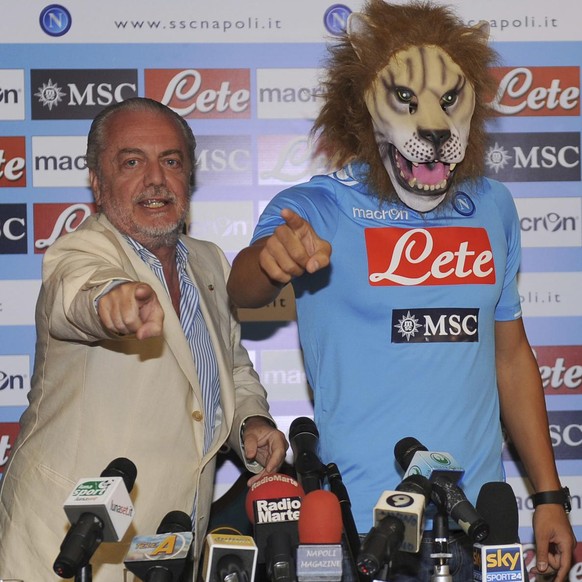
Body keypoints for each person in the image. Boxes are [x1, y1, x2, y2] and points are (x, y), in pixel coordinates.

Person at [226, 1, 576, 580]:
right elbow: (242, 290)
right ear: (361, 106)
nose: (433, 126)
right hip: (360, 527)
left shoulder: (493, 205)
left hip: (479, 526)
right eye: (406, 100)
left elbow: (510, 355)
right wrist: (270, 261)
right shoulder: (319, 205)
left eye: (449, 99)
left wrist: (548, 498)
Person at [0, 97, 288, 581]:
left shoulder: (210, 262)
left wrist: (251, 422)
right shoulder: (82, 250)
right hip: (67, 547)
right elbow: (77, 291)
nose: (155, 179)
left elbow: (230, 368)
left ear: (188, 177)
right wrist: (108, 301)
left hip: (169, 547)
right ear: (97, 180)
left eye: (170, 161)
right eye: (132, 161)